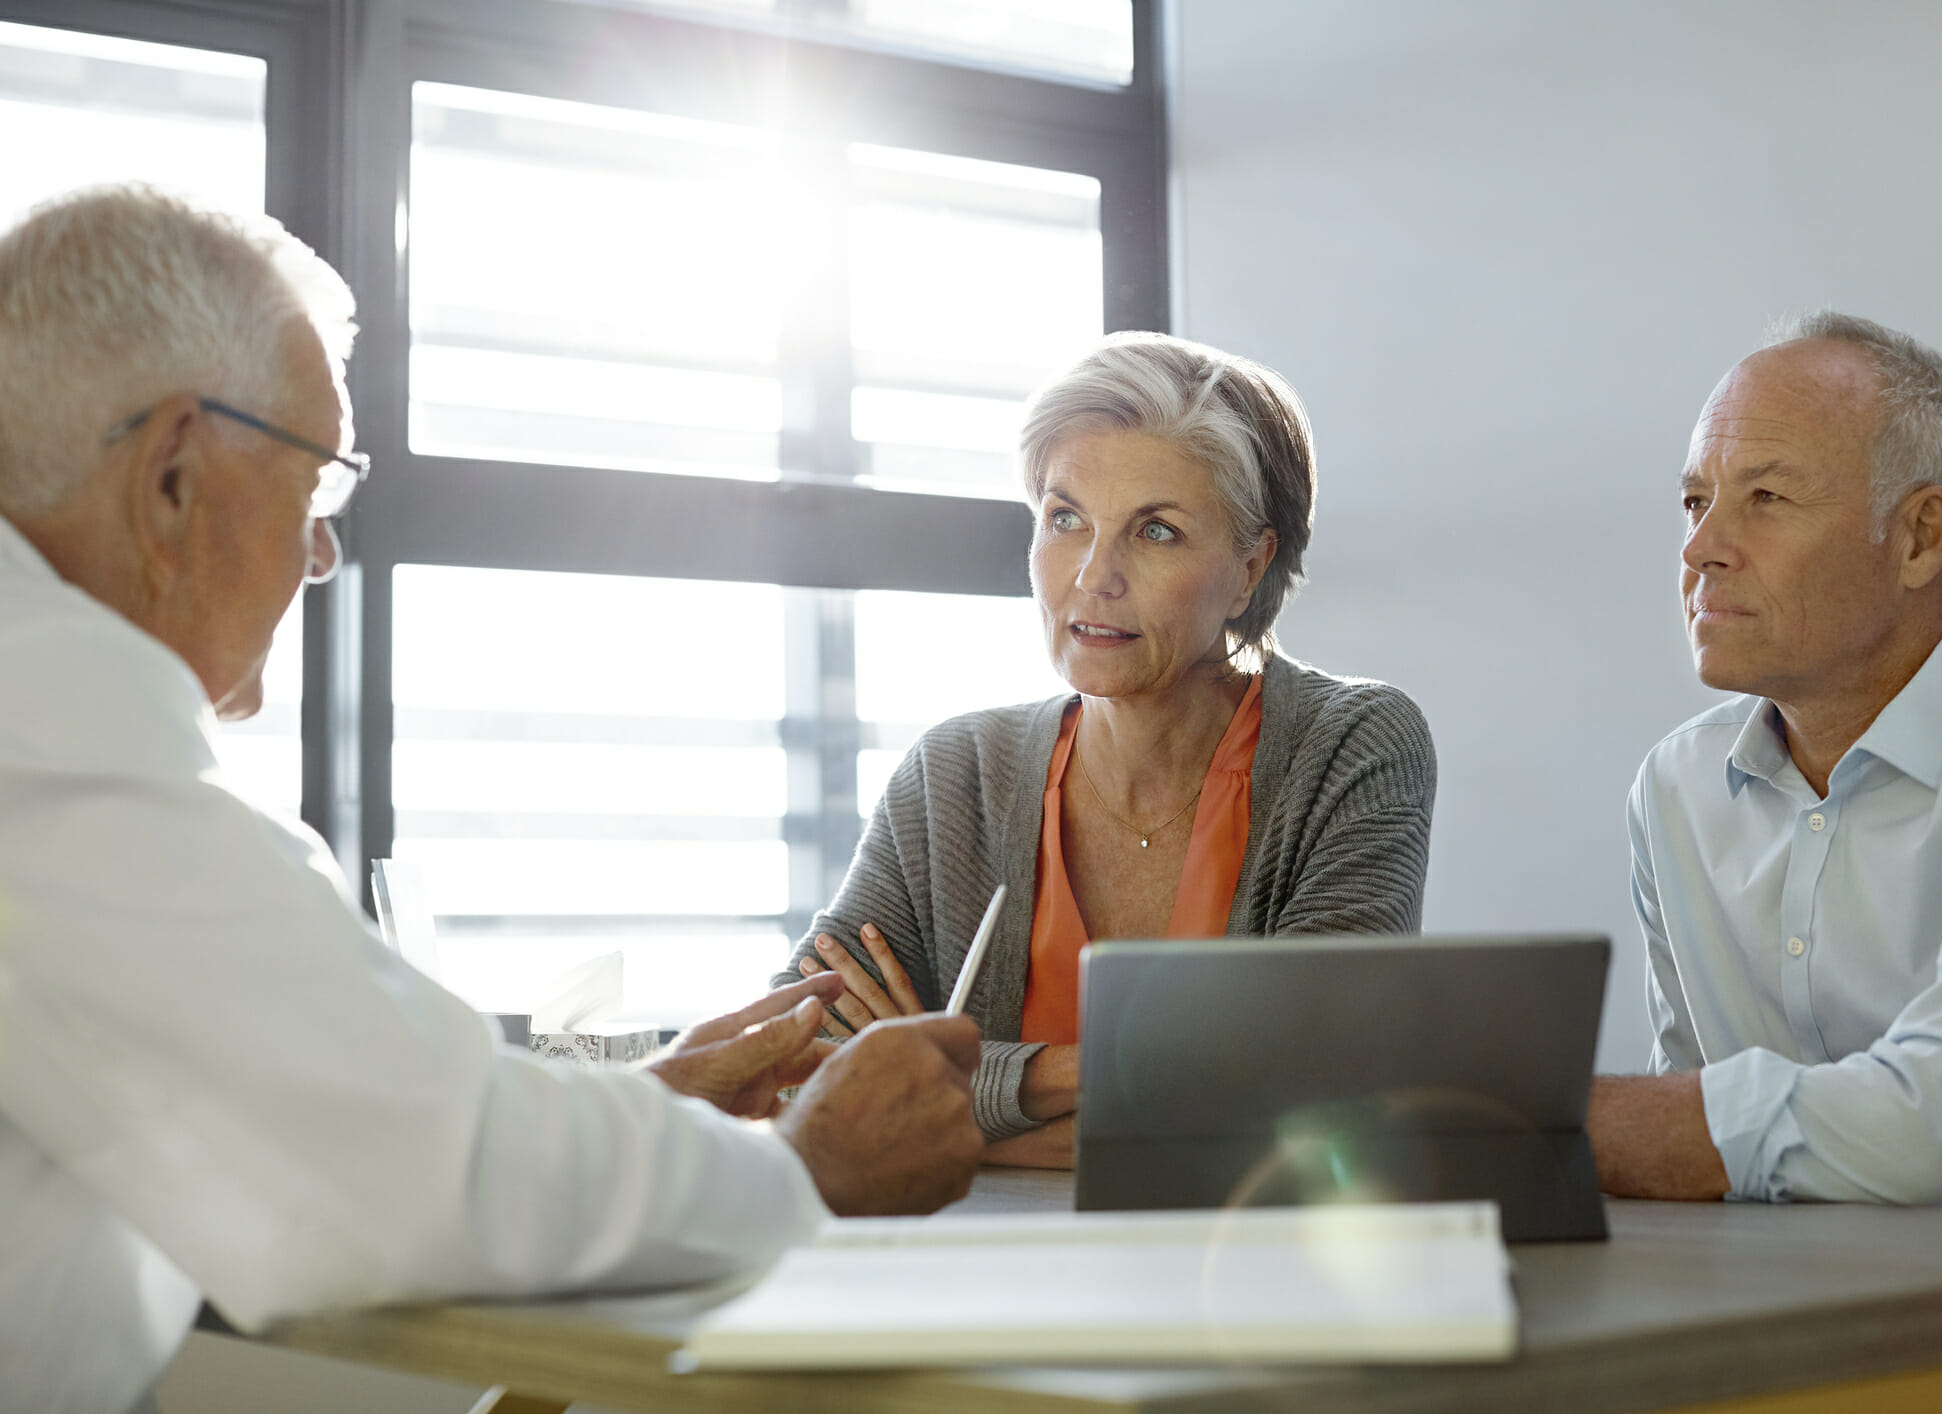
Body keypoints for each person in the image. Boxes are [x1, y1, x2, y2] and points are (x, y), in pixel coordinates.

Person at [0, 185, 985, 1414]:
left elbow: (334, 1108)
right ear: (173, 479)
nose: (323, 556)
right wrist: (804, 1166)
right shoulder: (50, 742)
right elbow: (398, 1181)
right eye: (319, 491)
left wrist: (635, 1107)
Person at [779, 332, 1436, 1167]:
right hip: (975, 1279)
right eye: (1064, 519)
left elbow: (1316, 1090)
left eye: (1155, 531)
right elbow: (795, 1068)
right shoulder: (955, 773)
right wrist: (1082, 1085)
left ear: (1248, 568)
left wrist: (961, 1101)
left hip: (1244, 1274)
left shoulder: (1351, 745)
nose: (1093, 575)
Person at [1590, 310, 1942, 1205]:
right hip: (1770, 1317)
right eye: (1695, 500)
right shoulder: (1674, 788)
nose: (1699, 549)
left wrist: (1550, 1122)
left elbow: (1936, 1122)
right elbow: (1679, 1145)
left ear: (1919, 538)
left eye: (1765, 498)